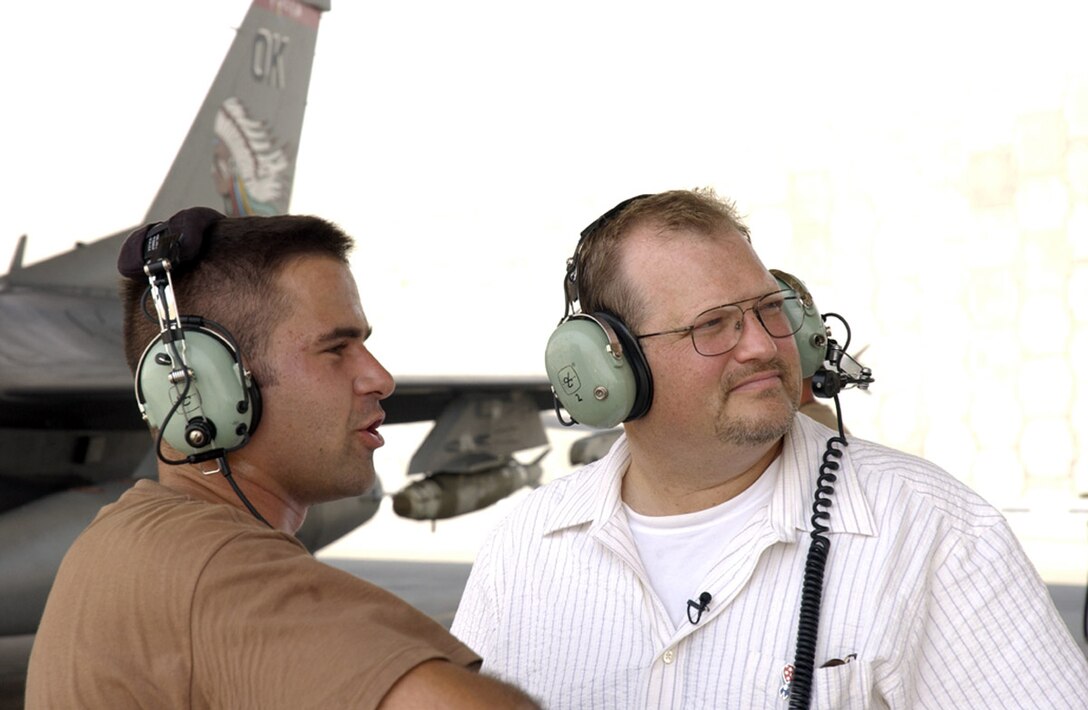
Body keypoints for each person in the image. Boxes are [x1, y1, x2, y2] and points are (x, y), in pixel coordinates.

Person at [451, 189, 1088, 708]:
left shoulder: (935, 531)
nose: (761, 346)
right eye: (713, 325)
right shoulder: (524, 547)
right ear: (607, 368)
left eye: (769, 311)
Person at [25, 208, 537, 709]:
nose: (381, 378)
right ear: (206, 385)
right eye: (336, 349)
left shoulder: (130, 538)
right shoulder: (218, 572)